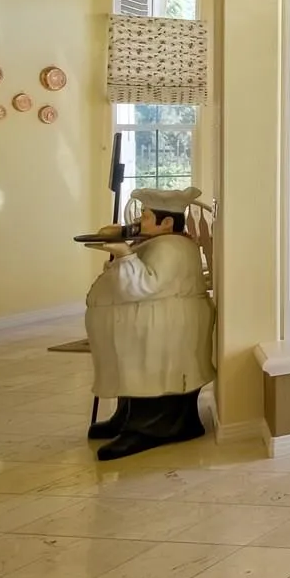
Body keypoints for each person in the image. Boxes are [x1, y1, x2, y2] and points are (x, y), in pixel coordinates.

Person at [84, 187, 216, 460]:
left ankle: (151, 428)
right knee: (135, 371)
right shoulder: (156, 243)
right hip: (152, 327)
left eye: (145, 216)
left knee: (153, 373)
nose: (138, 221)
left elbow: (144, 285)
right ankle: (128, 416)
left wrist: (123, 254)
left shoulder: (172, 247)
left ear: (166, 222)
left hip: (166, 327)